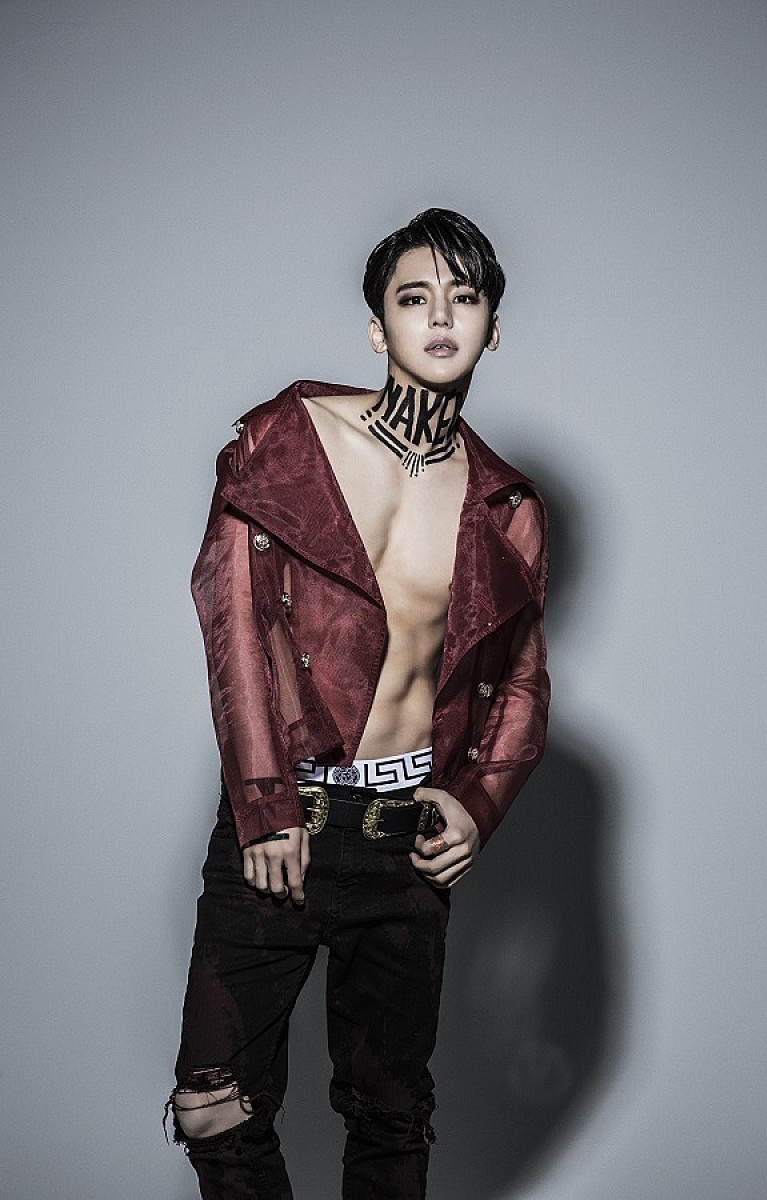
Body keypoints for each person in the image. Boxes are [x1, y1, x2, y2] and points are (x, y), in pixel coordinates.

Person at [167, 208, 550, 1198]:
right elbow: (233, 623)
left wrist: (479, 801)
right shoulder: (285, 443)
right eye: (414, 298)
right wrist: (264, 802)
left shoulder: (506, 508)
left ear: (492, 329)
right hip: (283, 822)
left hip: (402, 838)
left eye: (463, 298)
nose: (440, 317)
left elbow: (520, 679)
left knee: (390, 1114)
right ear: (377, 328)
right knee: (214, 1100)